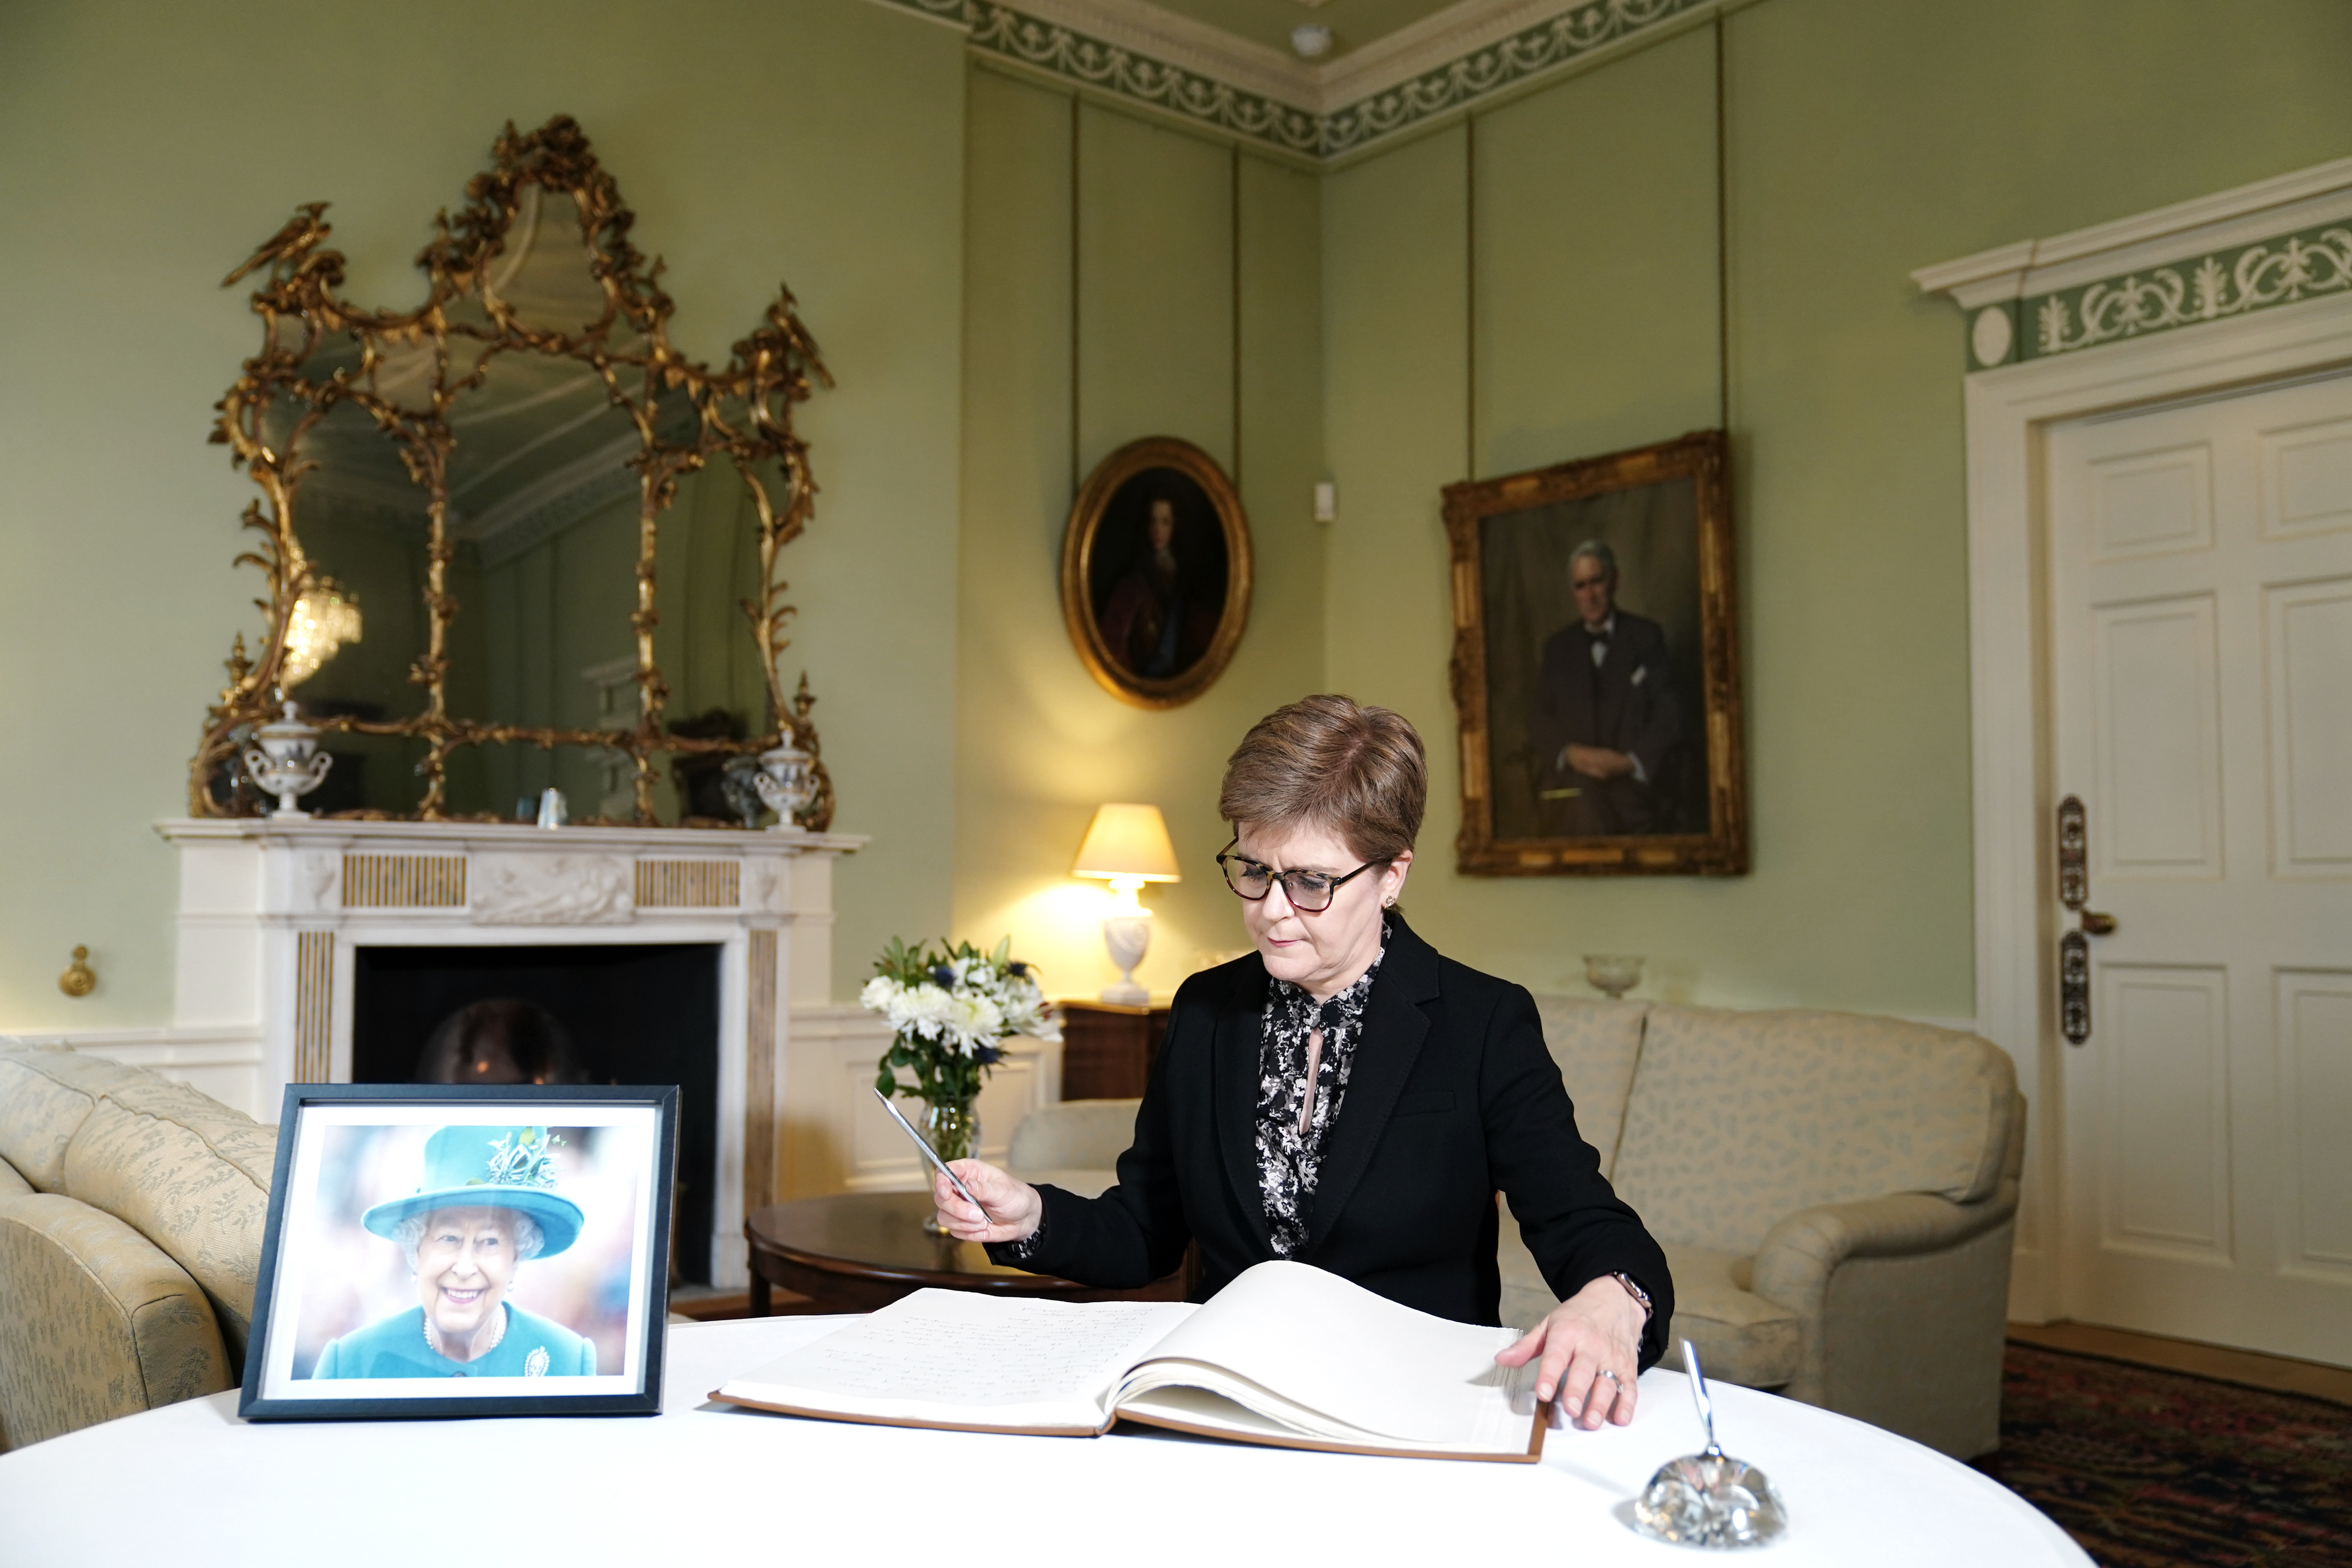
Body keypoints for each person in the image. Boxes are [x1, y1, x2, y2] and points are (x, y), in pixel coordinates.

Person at [933, 696, 1673, 1430]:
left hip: (1408, 1411)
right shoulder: (1204, 1011)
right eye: (1253, 869)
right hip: (1225, 1403)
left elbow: (1580, 1217)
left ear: (1392, 875)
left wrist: (1613, 1298)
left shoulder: (1482, 1023)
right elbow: (1145, 1229)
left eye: (1311, 882)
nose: (1272, 911)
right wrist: (1028, 1215)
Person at [310, 1125, 597, 1378]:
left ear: (516, 1257)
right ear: (416, 1251)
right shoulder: (349, 1364)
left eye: (490, 1242)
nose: (464, 1267)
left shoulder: (569, 1361)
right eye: (449, 1238)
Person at [1528, 540, 1683, 835]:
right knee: (1583, 807)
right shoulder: (1559, 648)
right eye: (1580, 586)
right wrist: (1574, 755)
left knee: (1623, 811)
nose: (1590, 595)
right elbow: (1539, 718)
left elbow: (1670, 712)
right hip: (1575, 781)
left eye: (1597, 582)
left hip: (1633, 781)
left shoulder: (1646, 637)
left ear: (1614, 581)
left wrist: (1629, 762)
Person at [1097, 493, 1217, 678]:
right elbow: (1112, 641)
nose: (1157, 530)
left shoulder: (1186, 577)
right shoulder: (1132, 582)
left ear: (1176, 526)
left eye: (1165, 522)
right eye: (1152, 522)